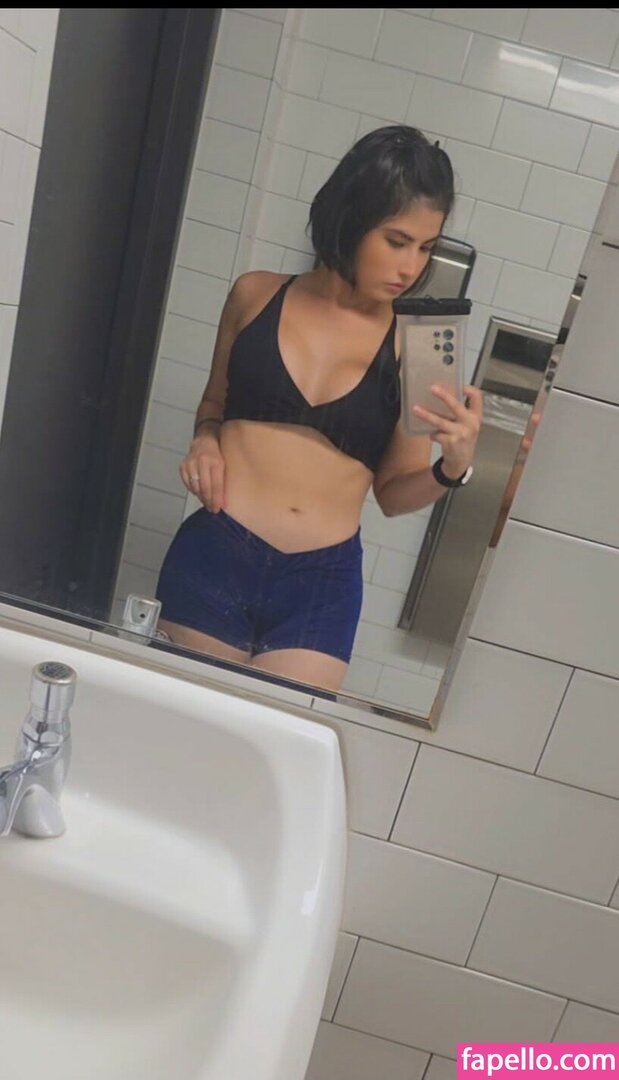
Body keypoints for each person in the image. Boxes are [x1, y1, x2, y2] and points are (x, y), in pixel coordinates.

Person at [156, 124, 483, 692]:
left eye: (426, 247)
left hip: (321, 583)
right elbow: (215, 402)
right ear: (351, 217)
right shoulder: (255, 294)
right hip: (216, 551)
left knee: (279, 741)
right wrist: (206, 439)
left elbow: (393, 493)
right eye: (397, 241)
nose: (411, 267)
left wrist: (451, 468)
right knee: (181, 730)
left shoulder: (424, 344)